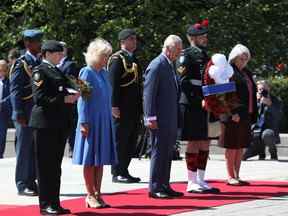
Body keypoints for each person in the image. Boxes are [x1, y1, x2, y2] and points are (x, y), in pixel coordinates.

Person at [29, 40, 79, 215]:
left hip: (58, 124)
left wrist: (73, 94)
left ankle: (54, 203)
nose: (61, 56)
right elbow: (40, 98)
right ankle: (45, 205)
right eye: (57, 53)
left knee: (55, 167)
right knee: (45, 167)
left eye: (61, 53)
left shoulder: (57, 70)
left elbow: (62, 89)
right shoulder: (40, 71)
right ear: (47, 54)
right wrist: (63, 99)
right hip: (45, 125)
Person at [73, 38, 117, 208]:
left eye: (108, 56)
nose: (106, 59)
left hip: (104, 120)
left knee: (100, 159)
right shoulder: (85, 72)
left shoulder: (104, 73)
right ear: (94, 55)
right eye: (104, 55)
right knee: (89, 159)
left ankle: (98, 193)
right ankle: (89, 194)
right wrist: (83, 121)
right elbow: (82, 100)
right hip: (90, 121)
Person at [177, 19, 219, 193]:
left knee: (205, 141)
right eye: (202, 36)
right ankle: (191, 180)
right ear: (192, 38)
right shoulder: (185, 55)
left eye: (205, 35)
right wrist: (199, 99)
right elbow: (183, 82)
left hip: (206, 103)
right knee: (194, 141)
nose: (205, 38)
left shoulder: (207, 55)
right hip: (193, 104)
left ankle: (201, 179)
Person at [144, 35, 184, 199]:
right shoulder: (157, 65)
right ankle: (155, 187)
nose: (179, 53)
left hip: (169, 117)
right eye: (177, 50)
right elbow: (149, 93)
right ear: (168, 49)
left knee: (167, 152)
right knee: (158, 151)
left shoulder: (169, 65)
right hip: (159, 117)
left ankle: (164, 184)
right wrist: (150, 117)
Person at [10, 29, 43, 196]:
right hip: (25, 112)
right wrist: (18, 112)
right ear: (28, 43)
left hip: (37, 112)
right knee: (24, 149)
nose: (40, 44)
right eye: (37, 41)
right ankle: (22, 184)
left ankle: (32, 180)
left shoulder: (40, 62)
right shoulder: (21, 63)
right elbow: (15, 90)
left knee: (35, 148)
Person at [218, 44, 257, 186]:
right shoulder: (228, 72)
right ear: (234, 58)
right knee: (232, 145)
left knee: (241, 145)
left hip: (246, 114)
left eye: (246, 59)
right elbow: (225, 95)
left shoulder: (247, 72)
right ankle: (230, 176)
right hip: (232, 115)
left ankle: (237, 175)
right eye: (241, 58)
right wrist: (232, 113)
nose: (244, 61)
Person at [107, 28, 142, 183]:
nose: (134, 42)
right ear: (122, 42)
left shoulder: (133, 59)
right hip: (121, 107)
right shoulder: (116, 59)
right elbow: (113, 85)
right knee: (120, 140)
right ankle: (117, 172)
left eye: (135, 39)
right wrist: (113, 105)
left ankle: (124, 169)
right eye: (131, 39)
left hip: (133, 107)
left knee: (131, 139)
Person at [243, 80, 282, 161]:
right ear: (257, 90)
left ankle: (273, 153)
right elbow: (248, 115)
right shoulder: (253, 101)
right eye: (260, 89)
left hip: (269, 129)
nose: (262, 91)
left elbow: (279, 116)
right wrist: (256, 102)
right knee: (242, 156)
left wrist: (270, 105)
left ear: (269, 88)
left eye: (264, 89)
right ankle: (261, 152)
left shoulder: (275, 100)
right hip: (255, 131)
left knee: (267, 134)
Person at [57, 41, 79, 157]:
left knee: (70, 125)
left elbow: (71, 82)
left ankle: (72, 148)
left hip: (67, 100)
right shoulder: (53, 64)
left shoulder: (70, 64)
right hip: (56, 101)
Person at [0, 60, 12, 158]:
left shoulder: (9, 81)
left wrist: (2, 102)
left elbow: (11, 95)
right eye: (0, 70)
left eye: (4, 70)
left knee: (2, 136)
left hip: (3, 112)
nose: (2, 72)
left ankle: (0, 155)